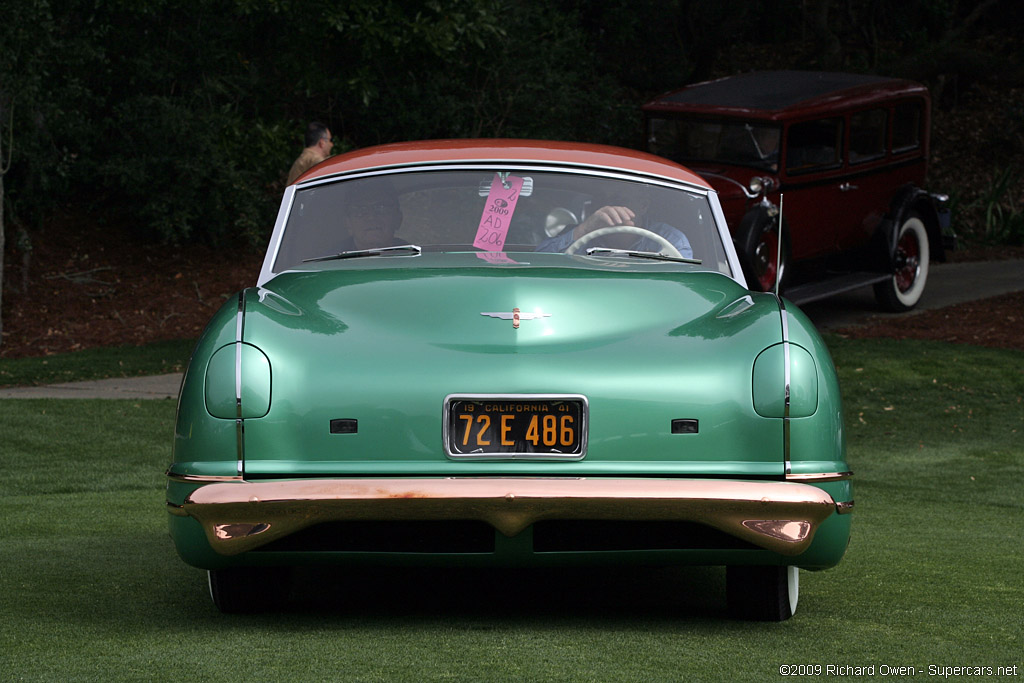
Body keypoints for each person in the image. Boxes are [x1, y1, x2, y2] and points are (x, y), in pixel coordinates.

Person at [536, 186, 693, 257]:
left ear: (643, 206)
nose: (608, 206)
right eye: (601, 199)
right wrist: (584, 229)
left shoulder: (670, 240)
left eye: (618, 199)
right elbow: (538, 264)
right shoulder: (581, 232)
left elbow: (679, 289)